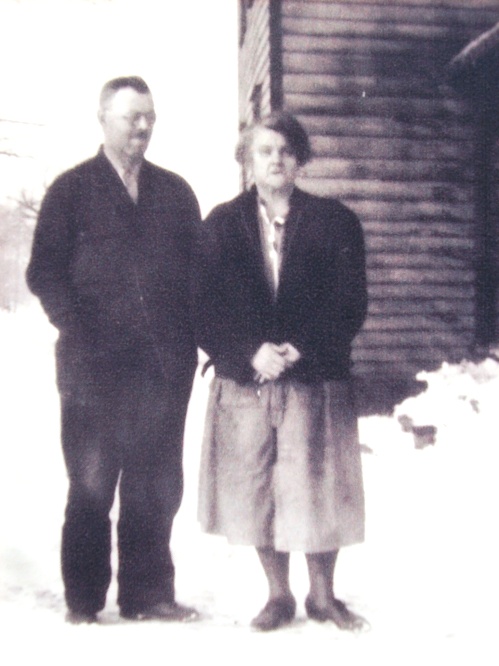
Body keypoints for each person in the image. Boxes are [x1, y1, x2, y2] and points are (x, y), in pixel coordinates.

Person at [26, 76, 201, 624]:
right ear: (102, 119)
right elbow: (44, 273)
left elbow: (198, 277)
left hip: (161, 368)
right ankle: (84, 599)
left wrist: (189, 344)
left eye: (150, 116)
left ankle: (147, 595)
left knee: (156, 484)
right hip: (92, 368)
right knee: (92, 482)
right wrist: (78, 330)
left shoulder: (175, 193)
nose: (143, 127)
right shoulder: (71, 191)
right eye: (132, 117)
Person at [193, 112, 368, 632]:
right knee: (260, 486)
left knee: (318, 484)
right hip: (248, 381)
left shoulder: (336, 222)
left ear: (300, 159)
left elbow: (350, 302)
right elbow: (202, 305)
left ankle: (323, 595)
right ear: (247, 159)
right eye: (265, 151)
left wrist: (301, 348)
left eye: (286, 151)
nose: (276, 160)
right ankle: (278, 595)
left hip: (314, 377)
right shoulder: (222, 224)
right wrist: (249, 352)